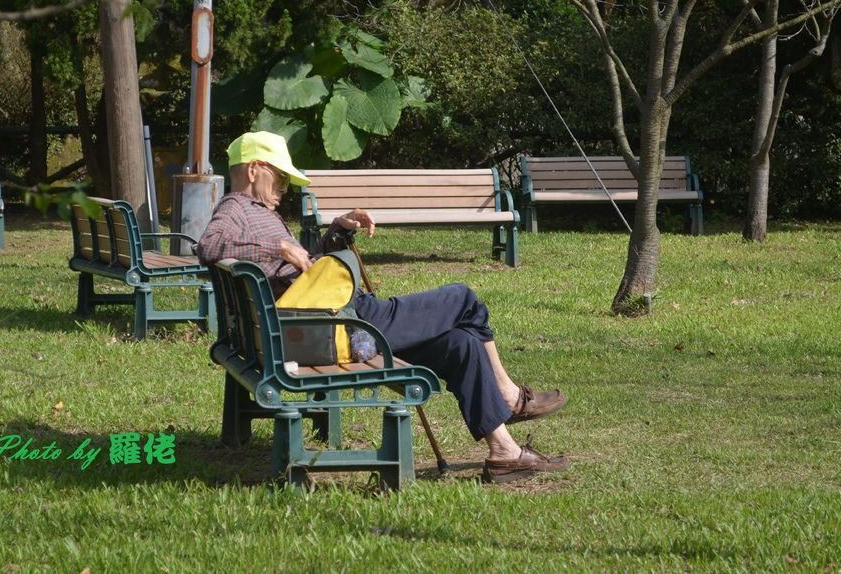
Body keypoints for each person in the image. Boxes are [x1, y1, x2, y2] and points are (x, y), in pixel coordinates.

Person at [198, 131, 569, 484]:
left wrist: (337, 234)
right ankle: (508, 395)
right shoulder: (236, 209)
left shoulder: (256, 211)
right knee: (462, 298)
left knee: (461, 344)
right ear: (253, 169)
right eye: (279, 177)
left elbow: (308, 274)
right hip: (346, 326)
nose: (284, 187)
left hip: (330, 324)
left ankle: (504, 451)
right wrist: (279, 248)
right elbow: (208, 247)